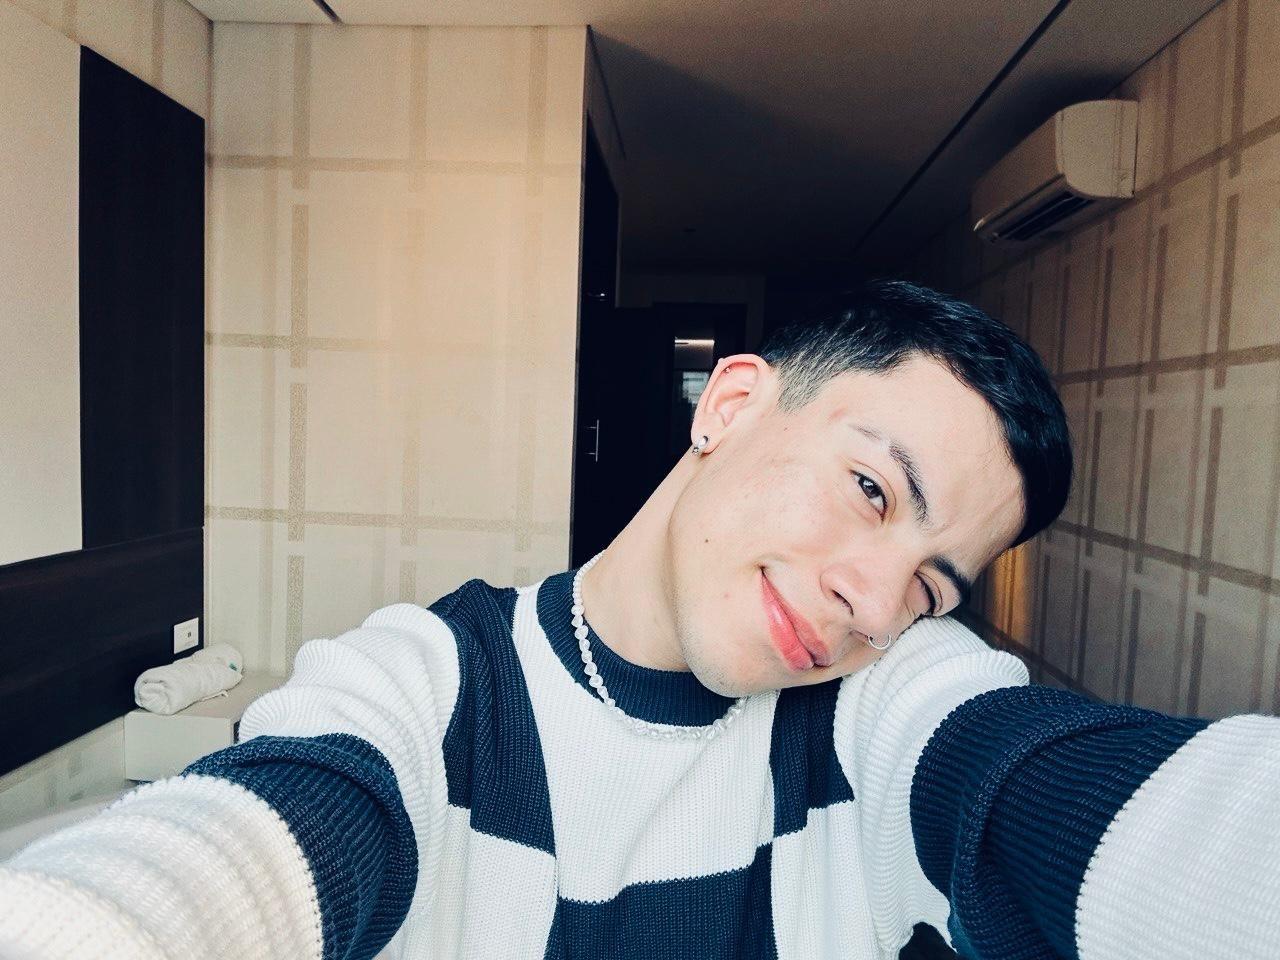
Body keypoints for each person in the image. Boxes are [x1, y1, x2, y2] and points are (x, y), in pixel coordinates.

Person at [1, 280, 1276, 960]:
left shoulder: (881, 705)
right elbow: (238, 853)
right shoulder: (429, 685)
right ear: (728, 406)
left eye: (931, 587)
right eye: (870, 490)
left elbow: (1095, 806)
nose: (875, 601)